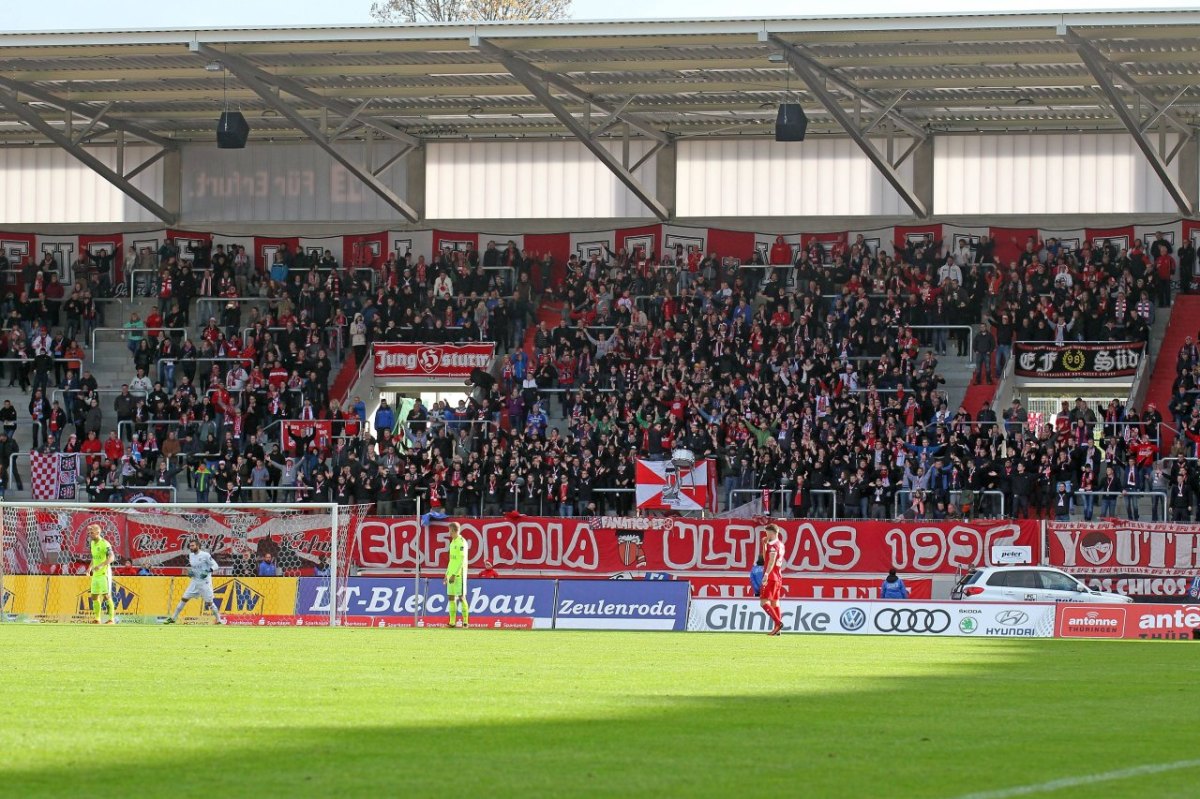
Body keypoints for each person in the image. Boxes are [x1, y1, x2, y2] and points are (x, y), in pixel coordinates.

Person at [164, 540, 224, 625]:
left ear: (198, 546)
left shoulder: (205, 555)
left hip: (204, 583)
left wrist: (208, 571)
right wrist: (191, 572)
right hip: (194, 582)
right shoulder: (191, 555)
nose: (190, 547)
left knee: (209, 602)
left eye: (192, 546)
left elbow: (216, 566)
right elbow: (194, 567)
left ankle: (219, 620)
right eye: (190, 546)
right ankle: (173, 618)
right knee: (184, 599)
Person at [85, 524, 117, 624]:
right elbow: (94, 557)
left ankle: (111, 619)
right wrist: (89, 568)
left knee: (106, 596)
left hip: (104, 573)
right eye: (89, 533)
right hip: (95, 574)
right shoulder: (92, 543)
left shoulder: (105, 544)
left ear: (98, 532)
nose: (90, 535)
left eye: (91, 533)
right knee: (94, 596)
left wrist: (101, 565)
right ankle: (97, 619)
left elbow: (112, 558)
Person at [760, 524, 785, 636]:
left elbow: (771, 561)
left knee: (763, 602)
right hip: (778, 576)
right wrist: (764, 545)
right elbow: (766, 558)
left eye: (767, 532)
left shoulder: (773, 545)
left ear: (772, 533)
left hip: (771, 576)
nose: (766, 535)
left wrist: (766, 574)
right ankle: (778, 629)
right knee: (775, 602)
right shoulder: (780, 544)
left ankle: (778, 623)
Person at [444, 522, 470, 628]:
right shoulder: (452, 542)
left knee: (461, 597)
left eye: (449, 530)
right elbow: (451, 560)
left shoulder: (462, 542)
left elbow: (462, 560)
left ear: (454, 530)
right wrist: (447, 573)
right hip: (451, 573)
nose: (449, 532)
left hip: (459, 574)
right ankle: (452, 622)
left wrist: (455, 574)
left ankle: (465, 622)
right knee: (451, 597)